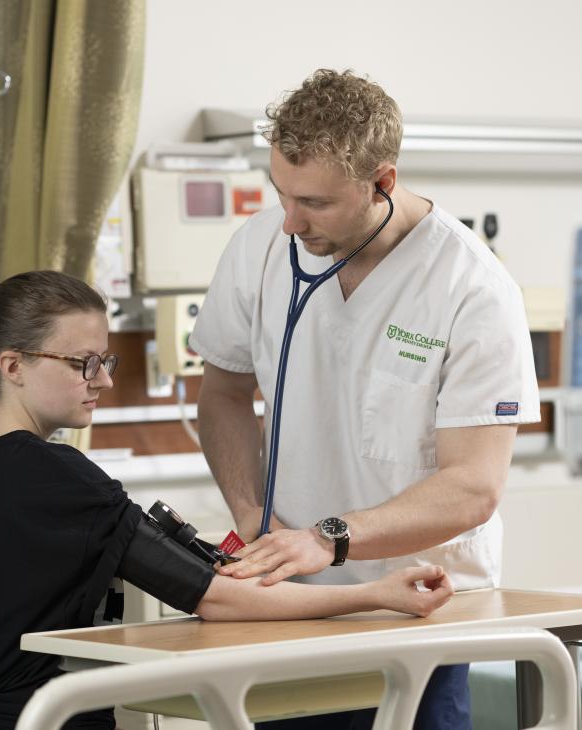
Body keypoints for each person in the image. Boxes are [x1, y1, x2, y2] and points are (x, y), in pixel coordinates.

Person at [0, 270, 452, 730]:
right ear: (12, 365)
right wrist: (377, 595)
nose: (103, 381)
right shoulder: (54, 475)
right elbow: (216, 598)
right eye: (82, 364)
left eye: (105, 362)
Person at [189, 69, 540, 729]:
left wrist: (330, 538)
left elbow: (473, 487)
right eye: (280, 193)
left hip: (418, 616)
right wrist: (250, 511)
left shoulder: (472, 290)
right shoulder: (261, 247)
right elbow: (225, 391)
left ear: (383, 182)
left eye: (315, 203)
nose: (290, 221)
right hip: (288, 608)